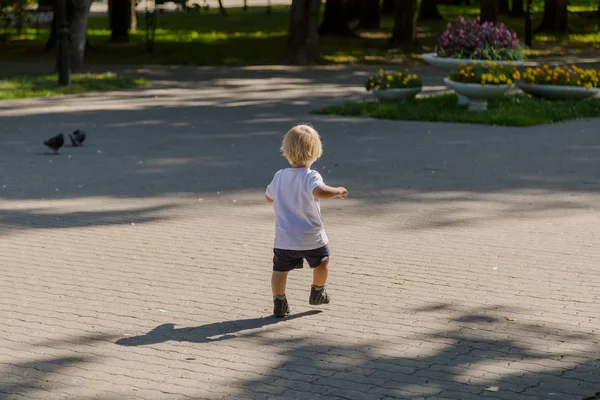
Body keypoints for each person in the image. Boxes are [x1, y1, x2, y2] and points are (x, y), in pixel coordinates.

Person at [265, 124, 348, 318]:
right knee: (322, 262)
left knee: (279, 269)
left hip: (285, 238)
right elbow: (320, 192)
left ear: (286, 152)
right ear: (315, 152)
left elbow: (269, 197)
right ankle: (318, 291)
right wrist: (338, 190)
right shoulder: (311, 176)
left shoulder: (279, 176)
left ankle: (279, 302)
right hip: (311, 236)